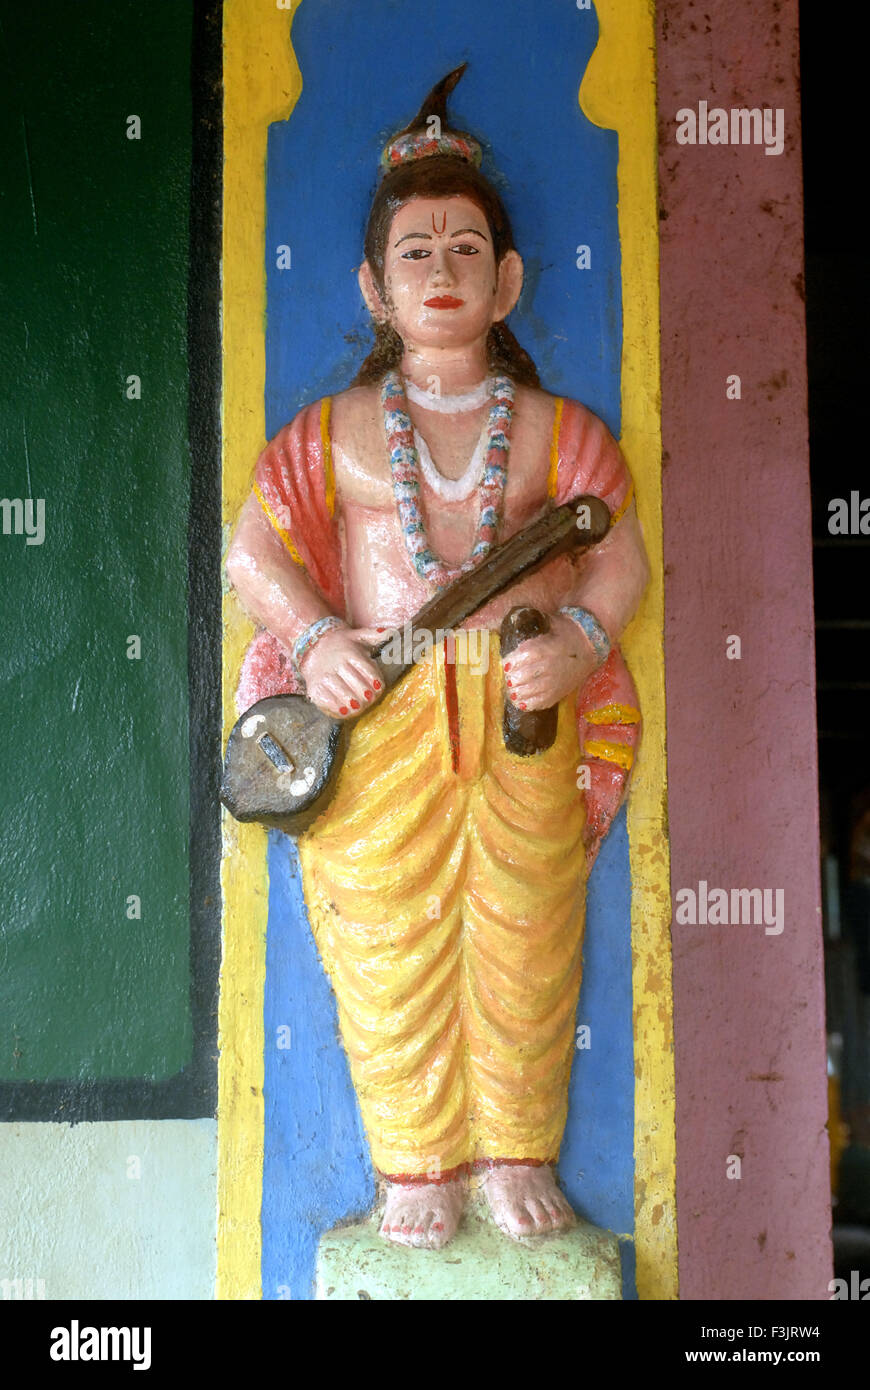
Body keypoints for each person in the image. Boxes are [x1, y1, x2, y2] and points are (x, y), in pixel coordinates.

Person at [226, 66, 649, 1250]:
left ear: (508, 280)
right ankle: (415, 1163)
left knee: (525, 932)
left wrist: (577, 641)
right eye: (417, 253)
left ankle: (516, 1150)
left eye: (468, 250)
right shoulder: (338, 434)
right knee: (387, 937)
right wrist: (315, 642)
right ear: (373, 287)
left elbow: (621, 559)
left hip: (519, 714)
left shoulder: (561, 431)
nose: (444, 273)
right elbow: (252, 551)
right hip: (384, 718)